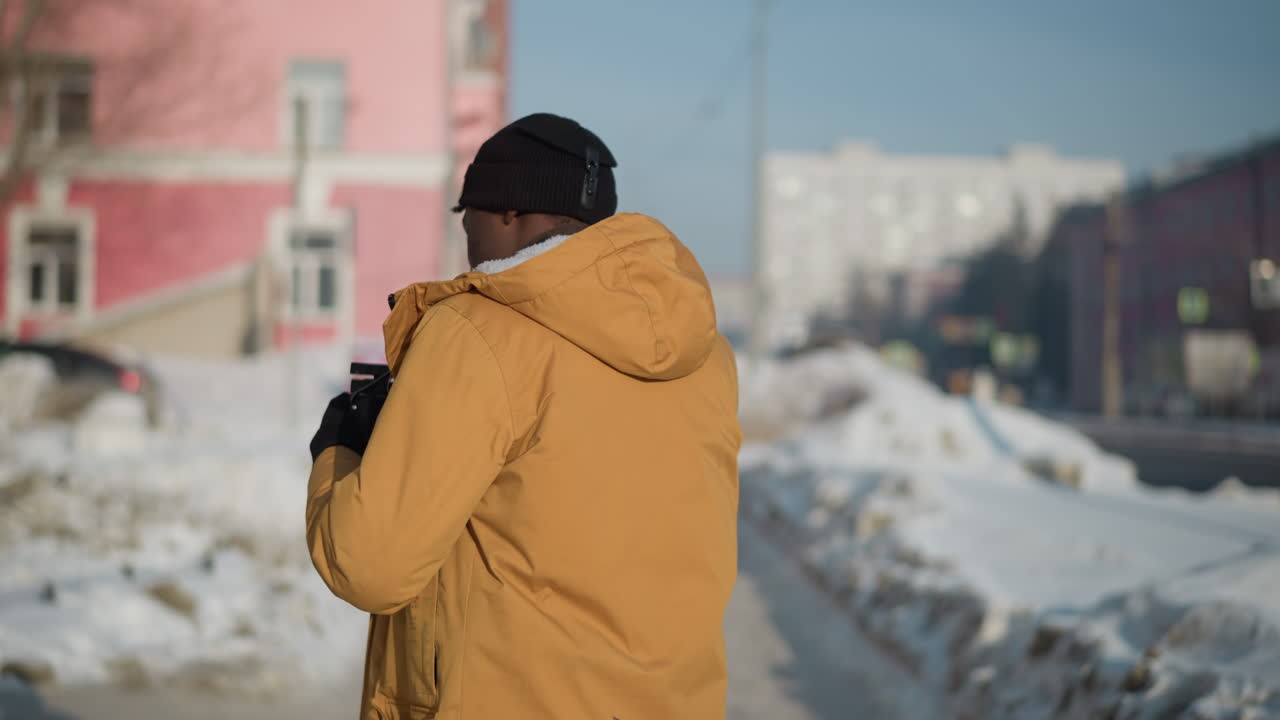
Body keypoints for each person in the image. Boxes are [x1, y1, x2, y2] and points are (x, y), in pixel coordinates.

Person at [306, 113, 741, 720]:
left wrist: (340, 448)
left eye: (468, 214)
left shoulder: (476, 334)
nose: (467, 235)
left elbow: (370, 567)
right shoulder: (708, 353)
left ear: (508, 211)